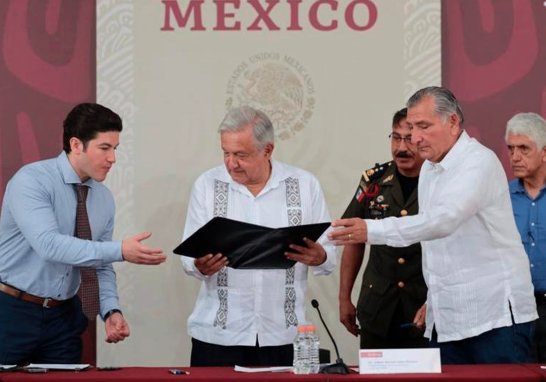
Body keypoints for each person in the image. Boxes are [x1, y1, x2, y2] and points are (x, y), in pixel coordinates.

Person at [329, 86, 537, 364]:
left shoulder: (478, 162)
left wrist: (372, 229)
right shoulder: (429, 166)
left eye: (423, 126)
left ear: (452, 122)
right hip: (447, 319)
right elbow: (435, 246)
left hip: (494, 317)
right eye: (411, 127)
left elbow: (442, 221)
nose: (414, 138)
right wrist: (434, 301)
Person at [0, 103, 166, 365]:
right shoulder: (31, 180)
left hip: (64, 318)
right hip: (10, 313)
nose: (113, 158)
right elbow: (49, 245)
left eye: (115, 149)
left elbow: (99, 265)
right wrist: (121, 250)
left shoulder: (104, 198)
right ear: (76, 145)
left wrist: (110, 309)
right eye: (104, 148)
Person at [180, 105, 336, 367]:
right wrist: (198, 265)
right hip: (218, 337)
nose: (231, 163)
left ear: (268, 150)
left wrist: (319, 256)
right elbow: (187, 257)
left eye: (241, 154)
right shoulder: (207, 185)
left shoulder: (305, 184)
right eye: (226, 153)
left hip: (285, 336)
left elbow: (329, 256)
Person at [339, 108, 427, 349]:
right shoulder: (373, 181)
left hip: (423, 305)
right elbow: (353, 238)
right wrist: (344, 298)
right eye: (396, 137)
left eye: (409, 139)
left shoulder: (439, 181)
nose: (401, 147)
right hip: (378, 306)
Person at [506, 112, 546, 362]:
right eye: (511, 149)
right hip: (515, 312)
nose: (515, 157)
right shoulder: (499, 198)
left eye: (523, 148)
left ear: (544, 151)